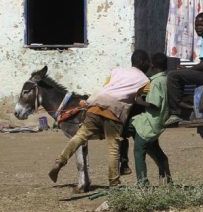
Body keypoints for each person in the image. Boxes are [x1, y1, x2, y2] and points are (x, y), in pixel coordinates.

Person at [48, 50, 151, 188]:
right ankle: (114, 182)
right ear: (144, 63)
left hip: (95, 105)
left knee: (80, 136)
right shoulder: (145, 80)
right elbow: (140, 99)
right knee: (113, 147)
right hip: (114, 111)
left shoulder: (117, 71)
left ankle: (60, 161)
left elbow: (107, 86)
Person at [166, 12, 203, 125]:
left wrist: (187, 70)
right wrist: (187, 69)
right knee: (182, 76)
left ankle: (175, 113)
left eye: (201, 25)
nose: (198, 28)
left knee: (173, 76)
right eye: (196, 25)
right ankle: (188, 108)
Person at [127, 52, 172, 186]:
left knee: (138, 149)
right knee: (153, 148)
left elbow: (154, 103)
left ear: (152, 66)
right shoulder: (166, 79)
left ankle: (143, 183)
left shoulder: (156, 81)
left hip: (152, 120)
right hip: (159, 120)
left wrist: (139, 101)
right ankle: (167, 179)